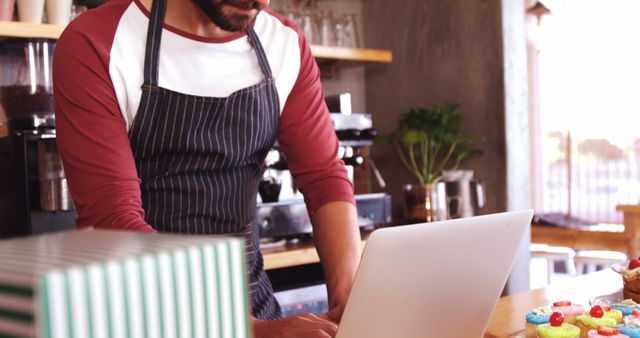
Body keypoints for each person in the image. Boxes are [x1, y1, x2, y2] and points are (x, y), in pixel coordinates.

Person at [53, 0, 361, 336]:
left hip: (255, 308)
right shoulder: (97, 42)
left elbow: (325, 179)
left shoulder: (284, 43)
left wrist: (352, 303)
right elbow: (112, 221)